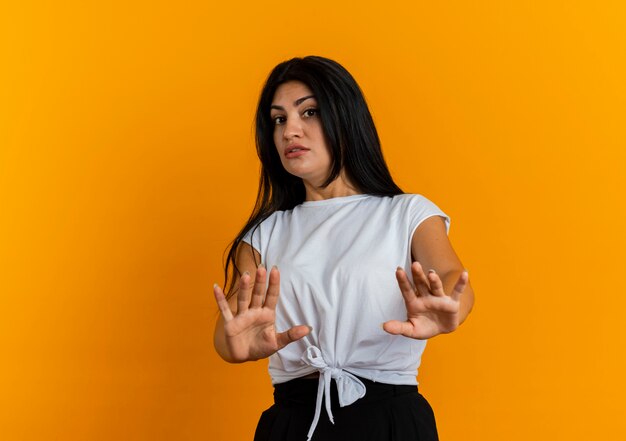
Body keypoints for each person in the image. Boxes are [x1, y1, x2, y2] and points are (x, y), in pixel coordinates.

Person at [213, 55, 475, 441]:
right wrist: (233, 345)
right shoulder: (262, 235)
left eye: (310, 112)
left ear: (346, 119)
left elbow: (454, 279)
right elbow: (229, 328)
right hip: (294, 423)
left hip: (391, 422)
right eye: (279, 119)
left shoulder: (408, 212)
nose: (290, 131)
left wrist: (450, 309)